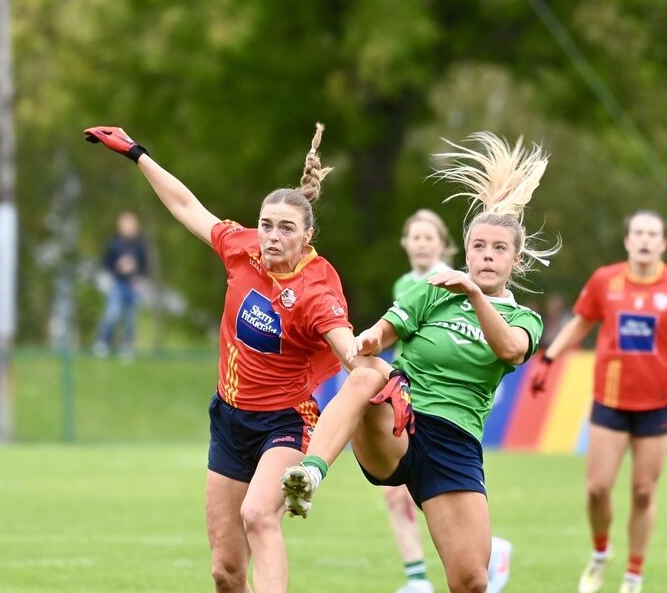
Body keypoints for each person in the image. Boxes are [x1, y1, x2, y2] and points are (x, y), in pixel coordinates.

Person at [84, 123, 360, 593]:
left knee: (258, 515)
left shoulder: (315, 292)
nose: (272, 236)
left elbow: (351, 355)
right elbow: (186, 206)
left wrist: (386, 380)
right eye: (267, 224)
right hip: (230, 422)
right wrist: (136, 153)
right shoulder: (243, 248)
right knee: (226, 574)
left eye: (286, 229)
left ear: (308, 235)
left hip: (285, 422)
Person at [281, 132, 555, 593]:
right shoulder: (433, 288)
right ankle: (309, 475)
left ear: (516, 258)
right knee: (369, 372)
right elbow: (385, 331)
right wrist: (369, 337)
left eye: (499, 249)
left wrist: (471, 293)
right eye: (480, 247)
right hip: (402, 421)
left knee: (470, 581)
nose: (487, 256)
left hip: (455, 443)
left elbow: (509, 350)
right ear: (466, 251)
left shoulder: (523, 317)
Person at [527, 209, 667, 593]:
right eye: (638, 233)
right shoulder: (604, 281)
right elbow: (581, 322)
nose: (645, 240)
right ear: (627, 240)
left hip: (659, 403)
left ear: (663, 243)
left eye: (653, 234)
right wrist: (548, 358)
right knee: (597, 489)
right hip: (610, 401)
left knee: (644, 492)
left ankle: (633, 574)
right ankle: (600, 554)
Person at [385, 209, 513, 593]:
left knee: (423, 496)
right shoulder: (405, 283)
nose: (422, 243)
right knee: (397, 495)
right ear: (405, 243)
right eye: (415, 236)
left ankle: (484, 554)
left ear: (445, 247)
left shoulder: (453, 283)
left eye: (429, 237)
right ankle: (417, 578)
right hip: (406, 398)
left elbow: (496, 344)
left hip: (447, 407)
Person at [93, 211, 149, 359]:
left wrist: (139, 278)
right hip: (117, 284)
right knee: (112, 314)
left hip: (133, 286)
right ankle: (103, 343)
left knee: (130, 318)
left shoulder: (139, 245)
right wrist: (118, 267)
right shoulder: (114, 244)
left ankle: (127, 347)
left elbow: (144, 266)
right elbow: (105, 263)